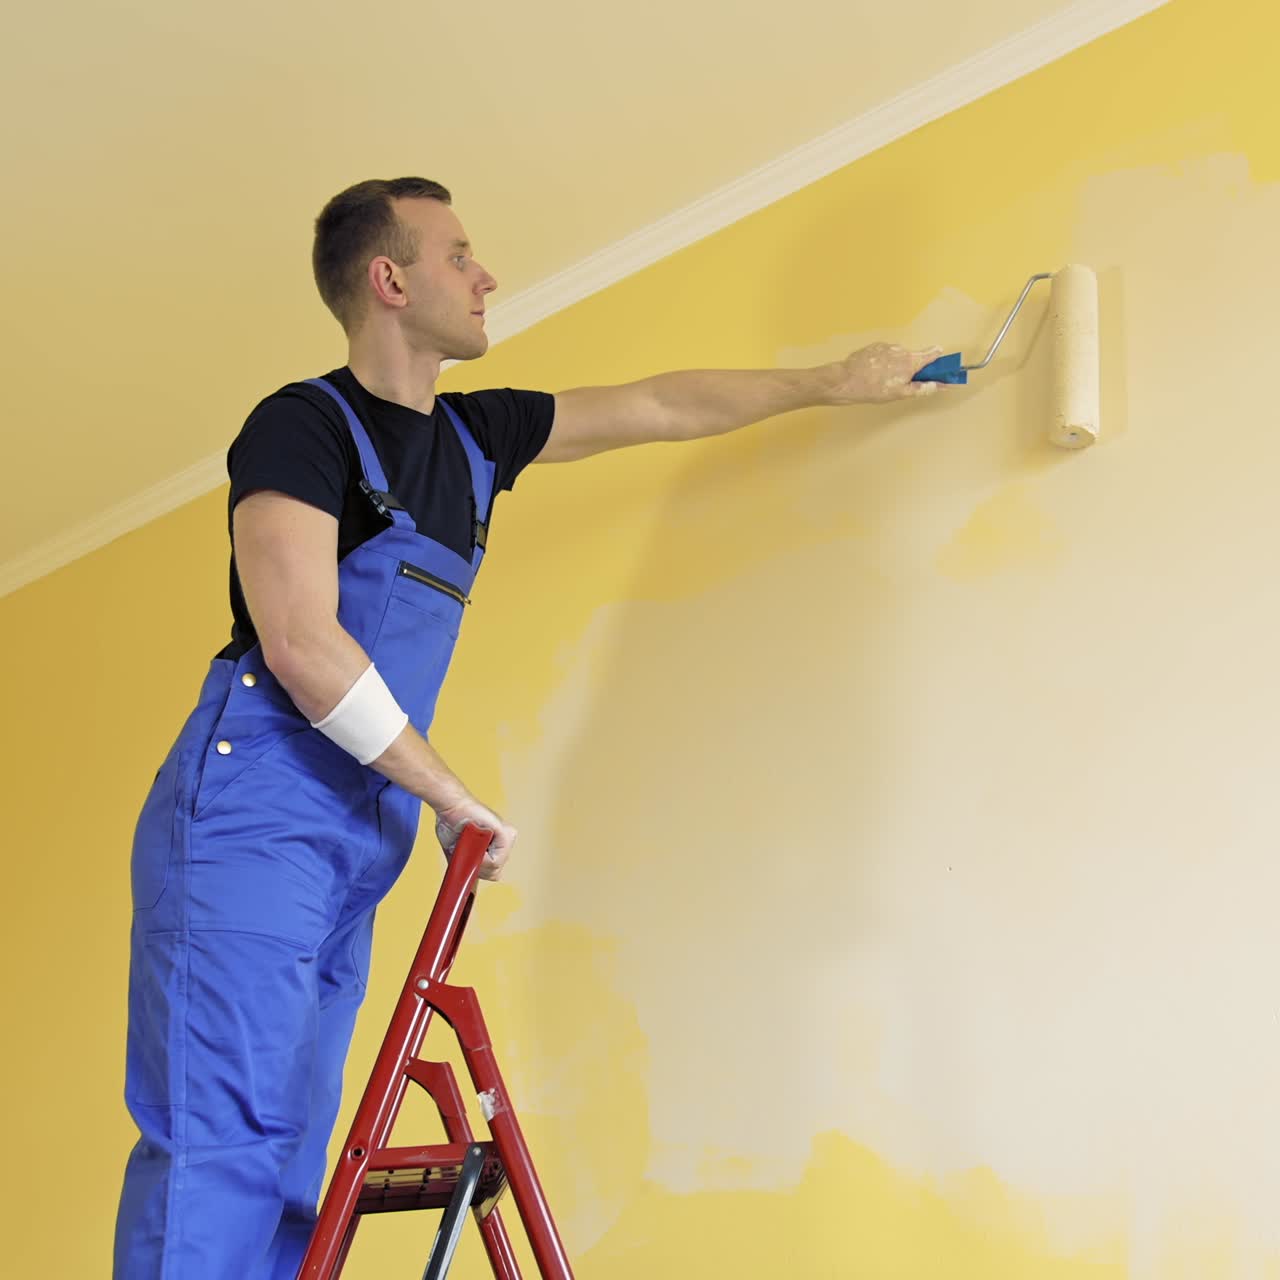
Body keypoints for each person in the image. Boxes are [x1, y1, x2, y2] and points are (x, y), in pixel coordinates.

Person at [113, 175, 945, 1277]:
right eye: (459, 254)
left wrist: (829, 383)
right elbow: (302, 642)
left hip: (355, 831)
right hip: (251, 804)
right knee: (221, 1142)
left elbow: (656, 406)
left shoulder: (474, 436)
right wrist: (449, 792)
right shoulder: (301, 426)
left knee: (288, 1160)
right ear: (390, 279)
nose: (486, 273)